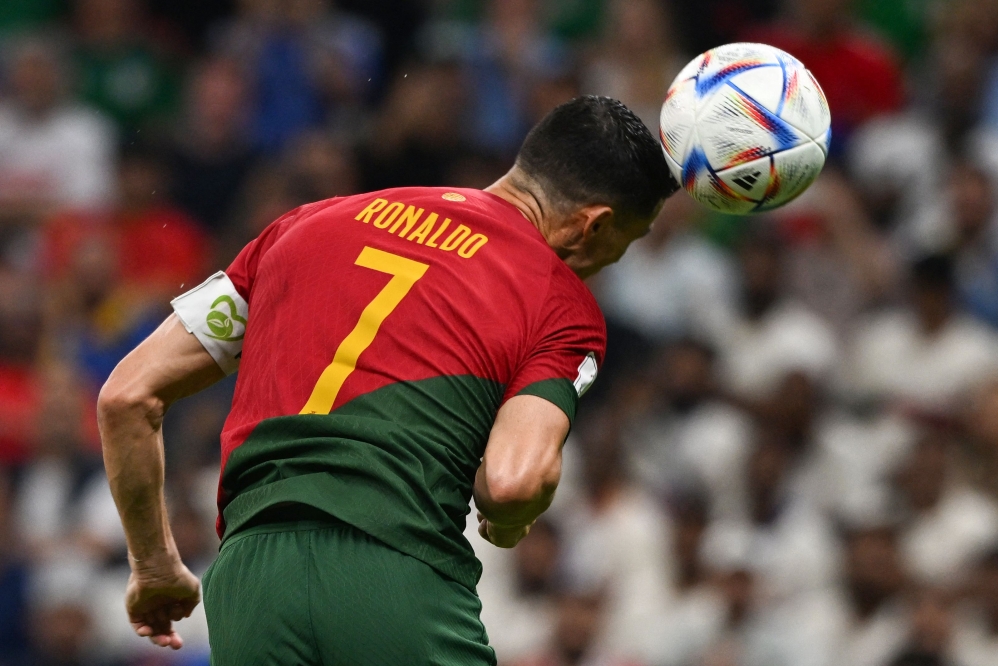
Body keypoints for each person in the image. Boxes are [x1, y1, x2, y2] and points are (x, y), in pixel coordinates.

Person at [96, 95, 677, 664]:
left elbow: (126, 396)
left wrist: (154, 566)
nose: (610, 263)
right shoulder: (560, 302)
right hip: (395, 573)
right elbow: (512, 483)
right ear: (594, 225)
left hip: (249, 581)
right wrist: (509, 521)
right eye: (623, 245)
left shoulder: (302, 226)